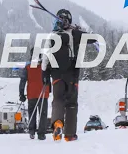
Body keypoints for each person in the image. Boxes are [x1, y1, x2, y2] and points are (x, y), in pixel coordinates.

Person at [41, 9, 97, 142]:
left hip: (56, 75)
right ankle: (69, 134)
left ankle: (58, 124)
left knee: (58, 100)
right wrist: (80, 30)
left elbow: (45, 58)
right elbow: (93, 38)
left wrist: (44, 73)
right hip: (72, 75)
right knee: (71, 104)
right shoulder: (75, 33)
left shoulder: (52, 36)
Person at [19, 47, 51, 140]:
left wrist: (21, 93)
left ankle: (32, 131)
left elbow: (23, 81)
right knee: (42, 114)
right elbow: (49, 78)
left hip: (31, 94)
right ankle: (41, 134)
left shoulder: (28, 67)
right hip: (43, 94)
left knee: (32, 113)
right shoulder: (45, 66)